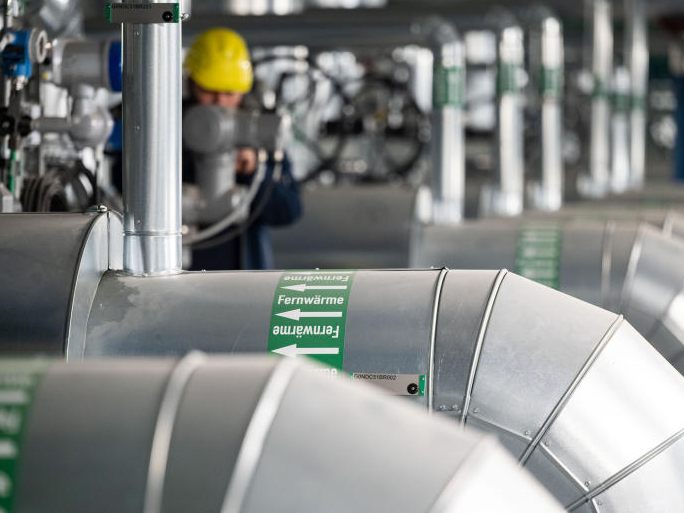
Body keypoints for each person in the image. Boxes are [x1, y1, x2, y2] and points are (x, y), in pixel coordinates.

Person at [183, 28, 301, 270]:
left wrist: (254, 171)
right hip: (176, 271)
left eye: (229, 93)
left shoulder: (258, 134)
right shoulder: (164, 134)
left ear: (244, 91)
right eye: (209, 91)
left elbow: (288, 210)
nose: (219, 102)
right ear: (191, 84)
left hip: (243, 275)